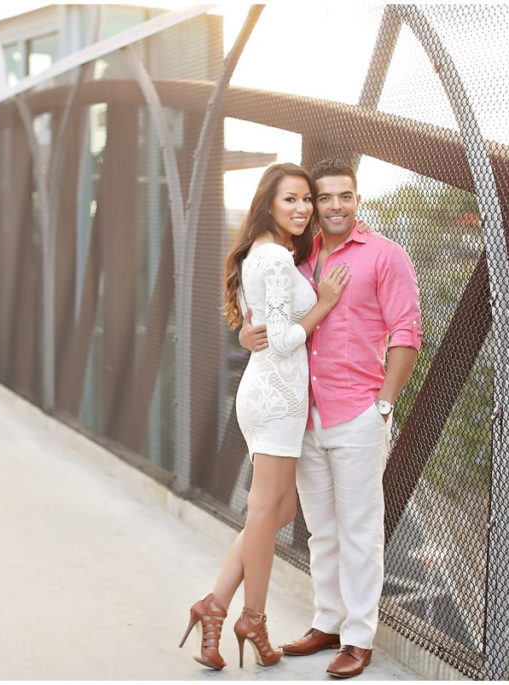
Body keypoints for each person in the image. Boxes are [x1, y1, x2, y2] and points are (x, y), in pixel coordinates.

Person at [239, 159, 422, 678]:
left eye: (345, 195)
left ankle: (359, 638)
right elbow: (268, 319)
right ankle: (328, 623)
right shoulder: (300, 256)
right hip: (304, 417)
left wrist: (383, 404)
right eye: (324, 197)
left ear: (357, 200)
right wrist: (244, 335)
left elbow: (406, 333)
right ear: (314, 205)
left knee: (361, 530)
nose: (333, 205)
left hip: (358, 413)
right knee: (321, 530)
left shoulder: (386, 256)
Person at [180, 163, 350, 671]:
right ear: (268, 205)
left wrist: (252, 332)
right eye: (290, 201)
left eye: (306, 201)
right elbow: (280, 341)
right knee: (264, 511)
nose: (302, 210)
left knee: (278, 513)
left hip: (275, 394)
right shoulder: (274, 257)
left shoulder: (266, 253)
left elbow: (255, 327)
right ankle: (251, 616)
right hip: (275, 396)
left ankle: (214, 604)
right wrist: (324, 304)